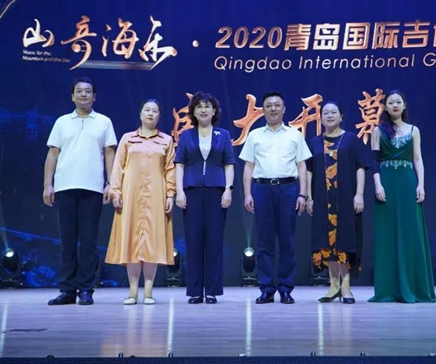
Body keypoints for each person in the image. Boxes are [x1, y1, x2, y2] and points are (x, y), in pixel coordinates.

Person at [368, 90, 436, 303]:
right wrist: (378, 184)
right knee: (387, 234)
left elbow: (417, 159)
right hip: (386, 182)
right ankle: (389, 289)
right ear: (385, 107)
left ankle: (414, 286)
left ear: (404, 105)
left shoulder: (414, 130)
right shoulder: (378, 130)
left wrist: (420, 185)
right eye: (391, 102)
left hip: (407, 182)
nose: (395, 105)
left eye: (398, 102)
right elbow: (375, 160)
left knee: (410, 232)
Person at [43, 77, 117, 306]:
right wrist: (47, 185)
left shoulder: (104, 122)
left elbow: (110, 154)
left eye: (88, 91)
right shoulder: (62, 122)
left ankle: (86, 289)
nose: (83, 94)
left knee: (88, 242)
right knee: (67, 241)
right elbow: (52, 154)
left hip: (93, 188)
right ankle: (67, 290)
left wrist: (111, 183)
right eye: (79, 91)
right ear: (72, 96)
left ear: (95, 96)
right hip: (65, 187)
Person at [240, 91, 311, 305]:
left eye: (277, 105)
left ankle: (286, 288)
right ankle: (267, 288)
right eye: (269, 105)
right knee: (264, 242)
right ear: (263, 110)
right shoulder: (255, 135)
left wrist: (303, 194)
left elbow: (302, 166)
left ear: (284, 109)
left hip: (288, 189)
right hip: (262, 189)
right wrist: (247, 193)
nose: (273, 109)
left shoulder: (294, 135)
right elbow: (248, 166)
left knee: (287, 240)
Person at [105, 99, 176, 305]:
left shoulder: (166, 140)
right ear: (140, 114)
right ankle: (133, 291)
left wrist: (170, 194)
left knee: (153, 242)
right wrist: (115, 191)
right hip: (130, 194)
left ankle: (149, 292)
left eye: (155, 111)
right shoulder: (128, 139)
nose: (150, 113)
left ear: (159, 116)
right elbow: (118, 166)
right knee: (131, 241)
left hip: (156, 194)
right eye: (147, 110)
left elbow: (170, 169)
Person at [174, 91, 236, 304]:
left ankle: (211, 291)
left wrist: (228, 189)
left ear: (214, 111)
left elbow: (229, 164)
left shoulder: (223, 135)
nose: (203, 110)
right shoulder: (186, 136)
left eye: (207, 106)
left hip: (216, 192)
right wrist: (180, 191)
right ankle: (195, 291)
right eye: (199, 106)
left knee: (214, 242)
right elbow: (179, 164)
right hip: (191, 191)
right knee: (193, 242)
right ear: (193, 111)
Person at [306, 102, 369, 304]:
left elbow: (360, 167)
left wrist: (359, 194)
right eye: (325, 112)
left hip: (345, 199)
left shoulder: (351, 140)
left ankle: (346, 287)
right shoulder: (315, 142)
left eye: (334, 112)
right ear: (321, 117)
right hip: (322, 200)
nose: (330, 115)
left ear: (341, 116)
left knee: (345, 241)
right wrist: (308, 197)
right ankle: (333, 286)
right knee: (326, 242)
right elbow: (308, 171)